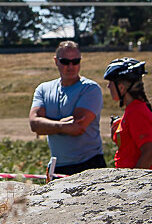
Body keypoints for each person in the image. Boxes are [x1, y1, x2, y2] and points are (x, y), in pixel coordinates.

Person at [29, 41, 106, 175]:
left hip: (90, 163)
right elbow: (34, 124)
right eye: (65, 61)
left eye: (75, 61)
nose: (71, 66)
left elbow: (78, 127)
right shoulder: (43, 89)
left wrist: (47, 124)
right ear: (56, 61)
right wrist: (62, 125)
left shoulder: (90, 89)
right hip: (58, 166)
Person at [104, 57, 152, 169]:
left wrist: (134, 182)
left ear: (121, 87)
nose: (108, 86)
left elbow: (149, 153)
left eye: (111, 82)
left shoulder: (136, 112)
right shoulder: (133, 110)